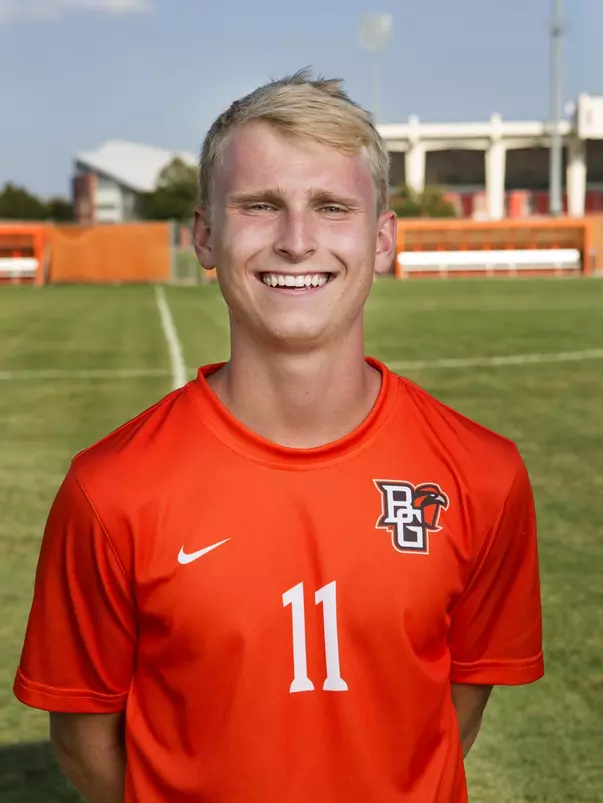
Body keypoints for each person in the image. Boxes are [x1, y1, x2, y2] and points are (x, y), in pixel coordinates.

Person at [14, 70, 544, 803]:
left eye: (331, 207)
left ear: (382, 239)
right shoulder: (110, 489)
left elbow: (453, 709)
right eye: (260, 206)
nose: (297, 241)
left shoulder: (482, 475)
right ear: (205, 235)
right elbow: (83, 737)